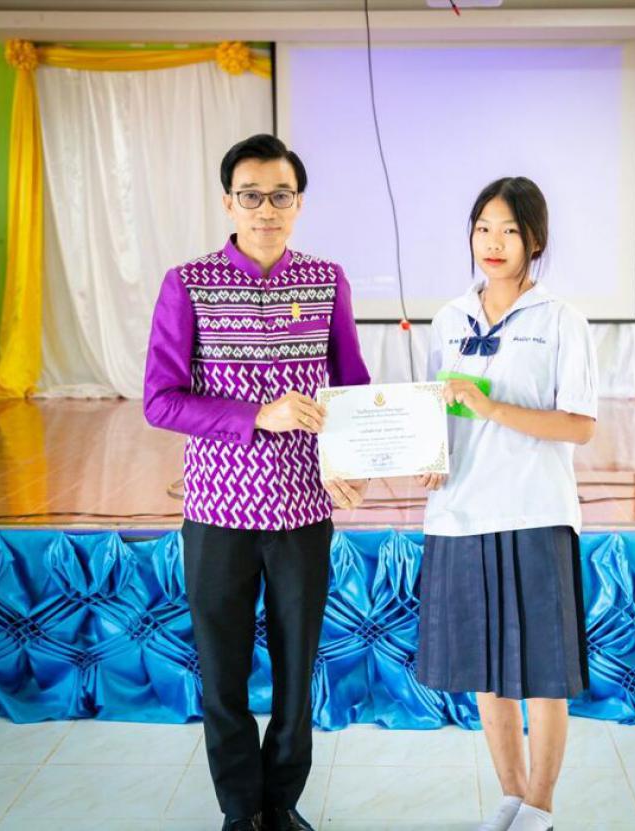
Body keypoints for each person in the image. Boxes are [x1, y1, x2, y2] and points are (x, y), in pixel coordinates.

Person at [143, 133, 370, 831]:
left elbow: (352, 384)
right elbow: (160, 400)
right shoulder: (188, 283)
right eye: (251, 196)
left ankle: (283, 802)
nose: (266, 209)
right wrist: (257, 415)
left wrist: (354, 460)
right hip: (219, 511)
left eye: (280, 196)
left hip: (304, 508)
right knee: (224, 675)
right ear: (227, 203)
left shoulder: (326, 280)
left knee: (298, 674)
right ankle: (240, 810)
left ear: (299, 203)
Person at [417, 176, 598, 831]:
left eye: (510, 231)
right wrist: (427, 452)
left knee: (544, 675)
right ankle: (511, 797)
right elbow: (434, 412)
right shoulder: (448, 319)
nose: (492, 242)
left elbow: (579, 425)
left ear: (535, 240)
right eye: (482, 228)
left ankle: (541, 805)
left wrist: (493, 408)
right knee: (486, 673)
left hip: (534, 512)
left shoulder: (560, 320)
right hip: (460, 515)